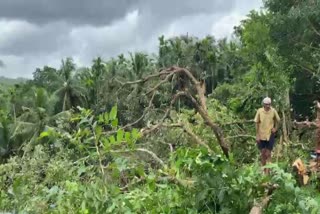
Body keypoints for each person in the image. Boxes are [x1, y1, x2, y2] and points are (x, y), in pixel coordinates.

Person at [254, 97, 280, 174]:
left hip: (270, 135)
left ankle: (268, 172)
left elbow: (278, 120)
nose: (268, 106)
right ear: (264, 104)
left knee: (268, 153)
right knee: (263, 153)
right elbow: (256, 122)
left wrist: (275, 128)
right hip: (261, 134)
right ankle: (263, 171)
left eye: (269, 104)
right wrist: (257, 135)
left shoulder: (273, 111)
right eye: (266, 104)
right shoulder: (260, 111)